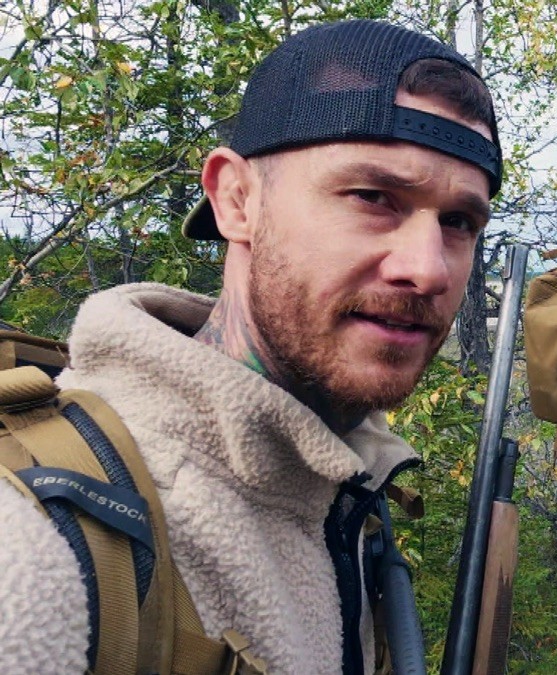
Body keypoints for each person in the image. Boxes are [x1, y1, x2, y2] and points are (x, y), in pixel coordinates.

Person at [0, 19, 501, 674]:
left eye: (459, 221)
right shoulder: (40, 542)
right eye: (372, 196)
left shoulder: (340, 482)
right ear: (235, 199)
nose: (429, 268)